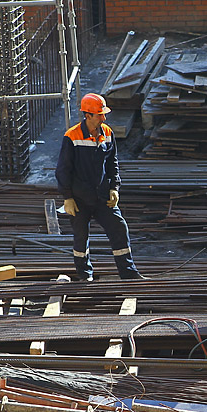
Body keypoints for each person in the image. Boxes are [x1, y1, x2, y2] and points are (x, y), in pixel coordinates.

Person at [55, 93, 145, 281]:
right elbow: (63, 169)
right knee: (81, 238)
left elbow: (112, 163)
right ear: (87, 115)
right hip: (80, 199)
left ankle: (128, 274)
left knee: (119, 228)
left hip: (102, 196)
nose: (104, 118)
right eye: (99, 115)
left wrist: (114, 187)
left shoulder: (107, 133)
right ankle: (85, 276)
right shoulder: (72, 137)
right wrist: (67, 197)